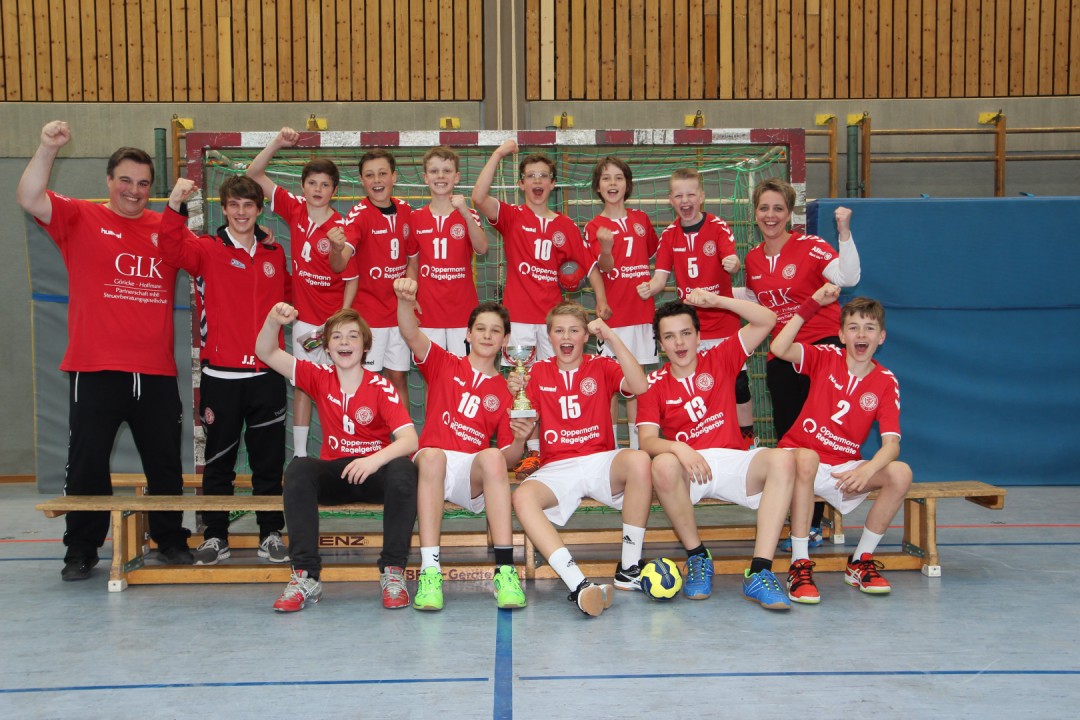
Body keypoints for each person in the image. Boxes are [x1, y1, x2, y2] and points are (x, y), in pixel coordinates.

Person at [16, 120, 193, 580]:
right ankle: (80, 550)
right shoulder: (80, 217)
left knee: (165, 465)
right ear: (109, 181)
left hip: (155, 372)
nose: (134, 191)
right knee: (87, 463)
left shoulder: (166, 227)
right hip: (95, 368)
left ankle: (171, 540)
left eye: (143, 183)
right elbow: (29, 197)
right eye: (125, 181)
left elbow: (207, 260)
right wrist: (47, 147)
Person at [159, 176, 290, 566]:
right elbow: (169, 248)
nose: (241, 212)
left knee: (269, 463)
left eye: (248, 205)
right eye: (234, 205)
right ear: (224, 208)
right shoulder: (206, 249)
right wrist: (174, 203)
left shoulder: (275, 253)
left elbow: (289, 298)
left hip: (267, 375)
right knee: (218, 462)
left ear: (259, 209)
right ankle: (216, 535)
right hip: (221, 377)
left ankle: (270, 533)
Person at [255, 304, 419, 612]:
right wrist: (272, 320)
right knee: (299, 468)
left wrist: (373, 460)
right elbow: (265, 351)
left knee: (403, 469)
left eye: (353, 336)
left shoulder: (381, 386)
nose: (345, 342)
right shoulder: (318, 376)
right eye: (337, 337)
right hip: (336, 474)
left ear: (366, 346)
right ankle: (306, 576)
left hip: (374, 473)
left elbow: (410, 439)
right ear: (327, 348)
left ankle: (393, 571)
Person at [636, 292, 795, 610]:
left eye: (686, 333)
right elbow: (647, 441)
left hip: (733, 460)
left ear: (698, 336)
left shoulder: (720, 358)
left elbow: (767, 319)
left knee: (784, 459)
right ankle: (697, 556)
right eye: (670, 336)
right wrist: (679, 448)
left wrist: (717, 301)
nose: (679, 343)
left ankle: (759, 571)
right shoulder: (652, 383)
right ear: (661, 344)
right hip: (690, 469)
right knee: (662, 464)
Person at [471, 140, 607, 478]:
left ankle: (555, 447)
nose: (537, 180)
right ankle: (530, 452)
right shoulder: (513, 216)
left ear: (552, 183)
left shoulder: (565, 226)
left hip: (552, 322)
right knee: (520, 386)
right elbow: (479, 197)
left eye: (543, 175)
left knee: (555, 384)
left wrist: (601, 300)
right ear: (521, 184)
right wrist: (498, 154)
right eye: (530, 175)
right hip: (518, 318)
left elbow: (589, 266)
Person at [770, 284, 912, 603]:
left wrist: (867, 471)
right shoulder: (825, 356)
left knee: (900, 473)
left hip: (841, 467)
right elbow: (779, 347)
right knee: (806, 459)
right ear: (841, 335)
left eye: (869, 328)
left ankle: (860, 561)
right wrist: (810, 305)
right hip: (798, 458)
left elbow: (891, 445)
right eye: (853, 327)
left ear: (881, 337)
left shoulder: (885, 381)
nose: (861, 334)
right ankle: (799, 564)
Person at [509, 302, 651, 617]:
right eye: (559, 330)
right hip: (557, 467)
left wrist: (611, 337)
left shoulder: (601, 365)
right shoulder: (536, 372)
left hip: (601, 460)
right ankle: (579, 584)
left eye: (574, 330)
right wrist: (514, 395)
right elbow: (522, 425)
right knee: (522, 498)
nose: (566, 336)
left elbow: (640, 386)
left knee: (640, 460)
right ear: (549, 336)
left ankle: (629, 569)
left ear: (586, 336)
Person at [394, 278, 529, 611]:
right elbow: (410, 332)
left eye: (495, 331)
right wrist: (405, 300)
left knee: (492, 456)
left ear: (505, 340)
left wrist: (521, 438)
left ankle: (505, 572)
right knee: (433, 456)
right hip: (432, 466)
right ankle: (430, 573)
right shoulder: (444, 362)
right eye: (480, 329)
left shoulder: (506, 391)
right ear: (467, 334)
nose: (486, 335)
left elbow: (509, 459)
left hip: (470, 474)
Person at [742, 178, 860, 546]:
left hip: (821, 350)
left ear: (789, 213)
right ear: (755, 213)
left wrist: (844, 232)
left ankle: (813, 521)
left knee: (818, 436)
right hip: (781, 354)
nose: (771, 215)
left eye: (778, 208)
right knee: (789, 435)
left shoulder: (811, 247)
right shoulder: (753, 258)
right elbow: (756, 304)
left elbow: (849, 276)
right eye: (764, 208)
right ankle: (795, 513)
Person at [246, 127, 359, 458]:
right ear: (303, 186)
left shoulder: (343, 227)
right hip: (305, 322)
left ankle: (343, 451)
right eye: (312, 183)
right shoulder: (294, 208)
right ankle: (299, 456)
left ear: (335, 190)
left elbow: (351, 277)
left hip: (333, 324)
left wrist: (341, 319)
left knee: (341, 387)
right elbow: (254, 174)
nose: (318, 189)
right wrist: (277, 142)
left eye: (325, 185)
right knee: (303, 386)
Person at [637, 168, 756, 449]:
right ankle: (702, 440)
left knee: (738, 385)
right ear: (670, 200)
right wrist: (649, 287)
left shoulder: (718, 226)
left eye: (691, 194)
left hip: (723, 324)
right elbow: (660, 278)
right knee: (698, 386)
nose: (685, 200)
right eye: (679, 195)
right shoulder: (669, 235)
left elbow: (732, 260)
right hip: (689, 330)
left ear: (702, 196)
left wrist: (733, 264)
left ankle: (748, 441)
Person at [584, 157, 661, 451]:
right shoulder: (594, 226)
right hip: (613, 317)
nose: (613, 183)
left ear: (627, 184)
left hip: (641, 314)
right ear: (598, 187)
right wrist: (606, 248)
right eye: (606, 178)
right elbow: (604, 267)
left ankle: (640, 449)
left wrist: (652, 284)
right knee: (611, 385)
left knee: (638, 384)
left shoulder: (641, 219)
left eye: (618, 177)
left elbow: (652, 257)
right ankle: (609, 450)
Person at [328, 149, 415, 406]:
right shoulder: (358, 215)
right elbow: (339, 263)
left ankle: (402, 431)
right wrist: (336, 248)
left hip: (399, 315)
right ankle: (367, 430)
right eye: (369, 175)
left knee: (398, 378)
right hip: (369, 317)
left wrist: (411, 295)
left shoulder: (406, 210)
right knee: (369, 379)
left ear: (394, 176)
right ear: (361, 180)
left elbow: (413, 259)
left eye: (382, 173)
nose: (377, 180)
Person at [409, 146, 489, 357]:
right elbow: (413, 263)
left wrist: (465, 213)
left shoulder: (469, 214)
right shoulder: (415, 217)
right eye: (434, 171)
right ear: (426, 178)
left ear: (457, 177)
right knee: (431, 372)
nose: (441, 176)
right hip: (427, 311)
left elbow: (482, 248)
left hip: (462, 312)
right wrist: (410, 298)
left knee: (464, 370)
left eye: (447, 171)